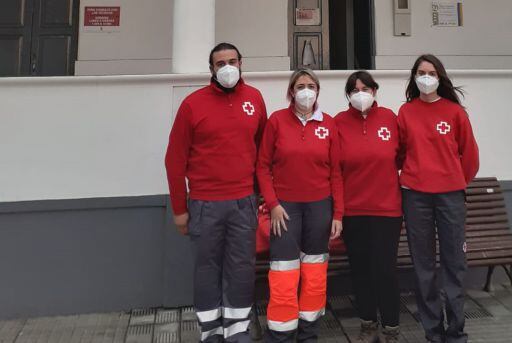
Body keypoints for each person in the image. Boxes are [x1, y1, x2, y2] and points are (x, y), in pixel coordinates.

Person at [165, 42, 267, 343]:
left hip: (244, 202)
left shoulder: (255, 98)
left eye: (232, 61)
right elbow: (174, 160)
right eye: (220, 63)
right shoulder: (192, 104)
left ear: (241, 63)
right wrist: (179, 209)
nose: (227, 68)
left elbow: (263, 151)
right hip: (204, 204)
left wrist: (261, 195)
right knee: (207, 269)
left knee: (241, 267)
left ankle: (238, 331)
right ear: (211, 69)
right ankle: (211, 332)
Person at [256, 68, 343, 343]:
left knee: (315, 274)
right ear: (291, 91)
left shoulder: (328, 124)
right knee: (284, 274)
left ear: (317, 90)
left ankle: (309, 334)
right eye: (300, 85)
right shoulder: (277, 121)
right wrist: (273, 204)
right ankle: (281, 335)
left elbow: (336, 172)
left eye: (310, 85)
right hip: (285, 210)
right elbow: (262, 167)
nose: (306, 90)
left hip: (320, 208)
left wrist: (338, 213)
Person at [398, 54, 479, 343]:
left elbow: (470, 158)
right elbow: (400, 153)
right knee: (423, 266)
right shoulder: (406, 112)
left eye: (431, 72)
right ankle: (432, 331)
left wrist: (454, 181)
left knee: (454, 263)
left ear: (440, 77)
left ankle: (455, 332)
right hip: (416, 197)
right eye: (421, 72)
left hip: (450, 198)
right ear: (414, 77)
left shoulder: (455, 113)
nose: (426, 77)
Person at [334, 71, 403, 343]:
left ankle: (392, 328)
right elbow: (335, 170)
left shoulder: (390, 118)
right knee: (361, 269)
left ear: (375, 91)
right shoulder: (338, 122)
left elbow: (404, 157)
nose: (360, 93)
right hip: (353, 211)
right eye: (354, 89)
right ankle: (367, 325)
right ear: (348, 95)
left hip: (387, 210)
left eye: (365, 88)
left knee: (384, 270)